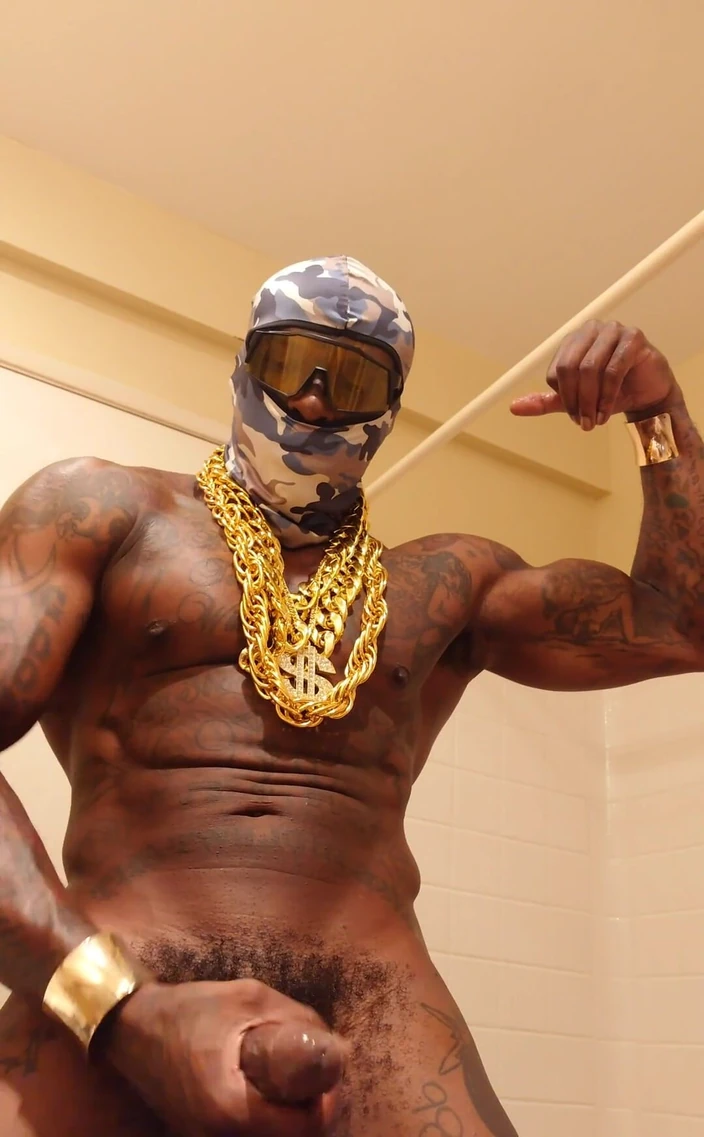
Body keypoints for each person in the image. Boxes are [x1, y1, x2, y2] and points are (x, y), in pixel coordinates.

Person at [0, 254, 701, 1137]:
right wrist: (123, 1011)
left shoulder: (446, 583)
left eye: (353, 377)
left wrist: (659, 415)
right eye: (292, 361)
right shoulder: (99, 509)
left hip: (377, 998)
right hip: (124, 972)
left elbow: (680, 625)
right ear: (245, 366)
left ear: (390, 410)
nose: (315, 399)